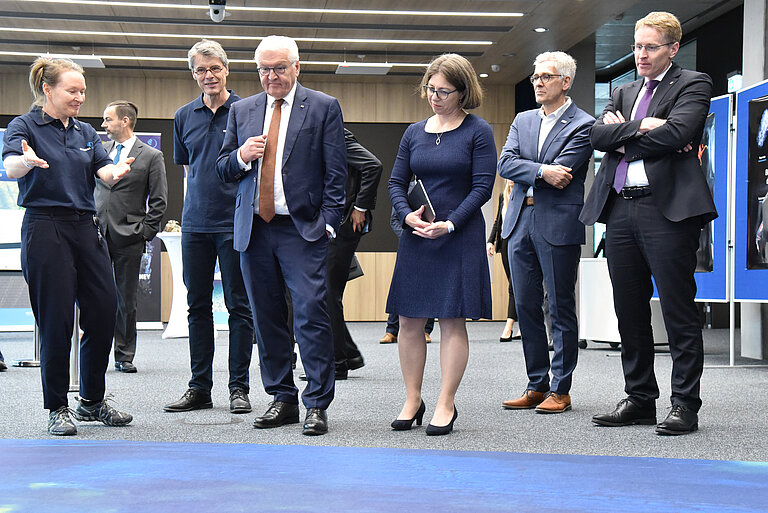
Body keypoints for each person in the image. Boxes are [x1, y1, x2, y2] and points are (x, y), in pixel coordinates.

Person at [580, 12, 716, 435]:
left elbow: (677, 135)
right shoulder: (623, 90)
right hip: (620, 209)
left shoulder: (694, 83)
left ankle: (684, 405)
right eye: (638, 46)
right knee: (629, 310)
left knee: (678, 311)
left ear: (672, 48)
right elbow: (595, 138)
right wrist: (642, 127)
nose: (641, 54)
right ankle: (640, 399)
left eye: (650, 47)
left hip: (667, 211)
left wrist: (625, 135)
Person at [216, 35, 347, 436]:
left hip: (302, 229)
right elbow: (222, 168)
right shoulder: (242, 109)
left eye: (278, 68)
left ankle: (317, 404)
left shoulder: (323, 107)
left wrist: (327, 223)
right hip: (254, 229)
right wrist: (241, 157)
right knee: (266, 317)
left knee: (310, 314)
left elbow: (336, 174)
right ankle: (282, 398)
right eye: (263, 70)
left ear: (296, 67)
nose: (271, 76)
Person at [2, 57, 133, 435]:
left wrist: (118, 172)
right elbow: (11, 167)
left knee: (104, 310)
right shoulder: (24, 125)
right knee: (56, 319)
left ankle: (91, 401)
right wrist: (25, 162)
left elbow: (104, 171)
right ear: (48, 89)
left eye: (83, 91)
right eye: (72, 91)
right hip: (45, 227)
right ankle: (57, 406)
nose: (80, 97)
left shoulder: (85, 133)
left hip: (84, 228)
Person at [387, 53, 495, 436]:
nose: (435, 97)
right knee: (409, 320)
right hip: (418, 235)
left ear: (463, 92)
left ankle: (446, 402)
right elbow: (396, 182)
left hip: (458, 235)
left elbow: (483, 186)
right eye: (430, 89)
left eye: (444, 91)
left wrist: (450, 224)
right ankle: (412, 398)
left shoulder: (477, 131)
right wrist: (406, 215)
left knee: (452, 319)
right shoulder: (414, 132)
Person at [497, 51, 595, 414]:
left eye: (546, 77)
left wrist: (531, 169)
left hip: (557, 224)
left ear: (565, 82)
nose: (537, 83)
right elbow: (504, 163)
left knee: (559, 305)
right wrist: (541, 171)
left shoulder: (584, 124)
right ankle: (536, 384)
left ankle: (560, 388)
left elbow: (564, 173)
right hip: (520, 220)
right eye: (535, 77)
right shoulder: (523, 120)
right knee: (524, 305)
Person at [165, 39, 255, 415]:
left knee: (239, 307)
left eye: (214, 68)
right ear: (193, 74)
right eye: (201, 70)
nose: (208, 76)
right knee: (196, 306)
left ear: (226, 70)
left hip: (235, 221)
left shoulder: (248, 111)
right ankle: (200, 387)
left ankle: (239, 388)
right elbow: (189, 170)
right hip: (195, 224)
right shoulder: (183, 115)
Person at [96, 100, 168, 374]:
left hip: (129, 236)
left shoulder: (150, 155)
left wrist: (145, 233)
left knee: (126, 299)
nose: (103, 125)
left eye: (107, 119)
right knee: (96, 296)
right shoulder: (100, 152)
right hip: (96, 234)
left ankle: (124, 354)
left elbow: (159, 200)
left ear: (124, 121)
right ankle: (97, 351)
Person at [326, 129, 382, 379]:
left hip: (345, 223)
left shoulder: (336, 134)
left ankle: (338, 361)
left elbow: (373, 165)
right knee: (326, 294)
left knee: (327, 293)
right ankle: (347, 354)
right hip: (328, 224)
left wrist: (361, 206)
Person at [379, 206, 435, 345]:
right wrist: (408, 236)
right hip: (409, 244)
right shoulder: (405, 190)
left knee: (429, 287)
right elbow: (394, 220)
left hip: (431, 243)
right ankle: (391, 331)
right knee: (401, 287)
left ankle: (426, 330)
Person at [486, 179, 520, 342]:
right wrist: (490, 241)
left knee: (515, 284)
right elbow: (497, 222)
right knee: (514, 284)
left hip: (520, 241)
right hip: (505, 243)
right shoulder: (503, 195)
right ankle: (523, 324)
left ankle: (509, 325)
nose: (511, 180)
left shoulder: (523, 194)